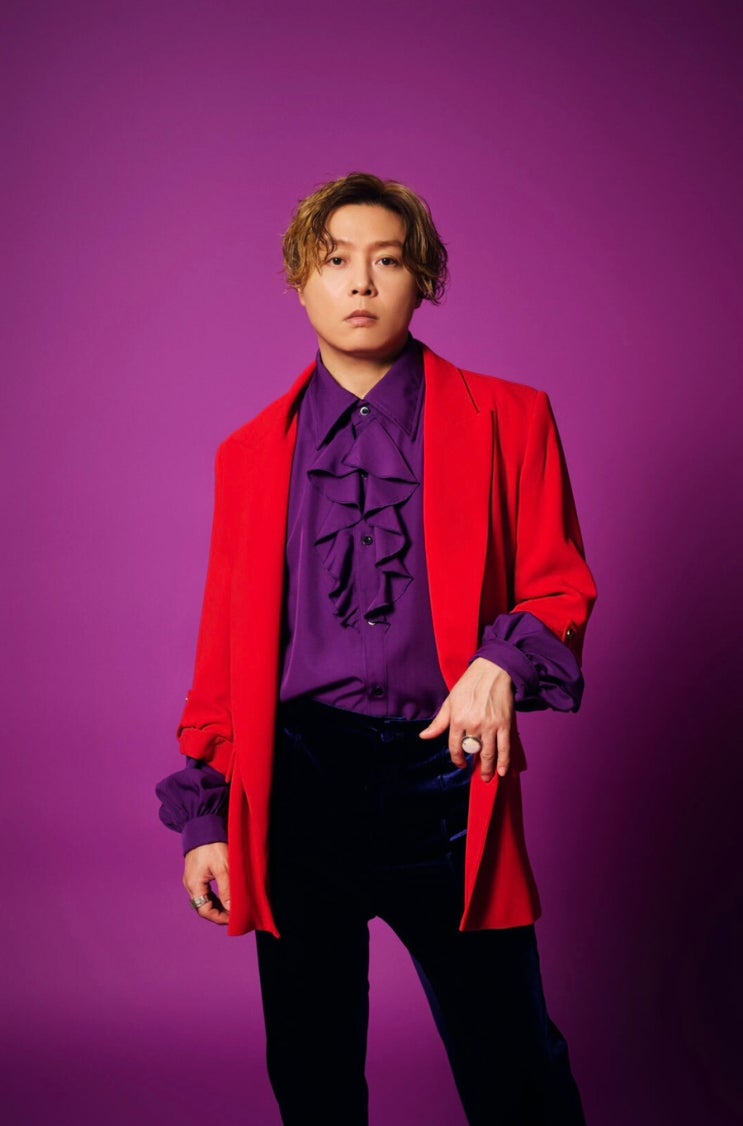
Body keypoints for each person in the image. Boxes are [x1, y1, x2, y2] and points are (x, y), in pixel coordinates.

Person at [156, 172, 597, 1125]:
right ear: (301, 283)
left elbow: (557, 586)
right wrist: (206, 814)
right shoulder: (248, 453)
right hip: (298, 784)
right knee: (311, 1079)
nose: (360, 282)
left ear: (420, 279)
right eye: (335, 261)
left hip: (447, 778)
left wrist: (500, 663)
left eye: (387, 260)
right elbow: (223, 650)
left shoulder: (511, 419)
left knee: (516, 1067)